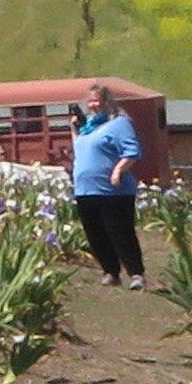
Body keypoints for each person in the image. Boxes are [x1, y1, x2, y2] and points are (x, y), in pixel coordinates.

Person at [68, 83, 149, 285]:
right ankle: (110, 271)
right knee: (95, 233)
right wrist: (74, 128)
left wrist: (118, 170)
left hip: (113, 190)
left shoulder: (119, 124)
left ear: (106, 102)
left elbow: (132, 151)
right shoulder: (87, 128)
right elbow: (80, 149)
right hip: (85, 189)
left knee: (120, 231)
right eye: (90, 101)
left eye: (96, 100)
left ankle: (136, 273)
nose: (93, 105)